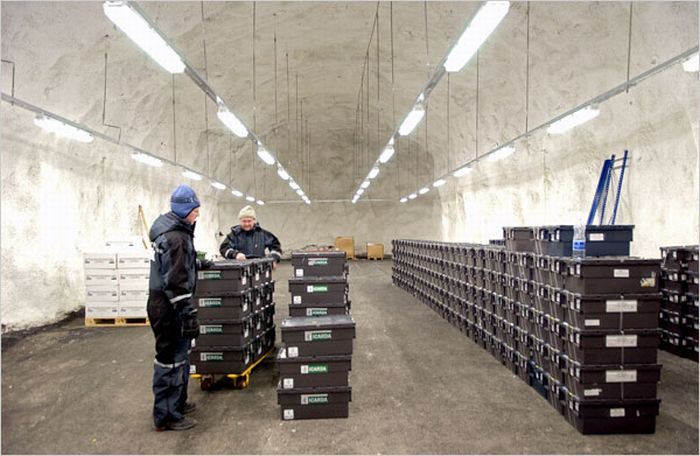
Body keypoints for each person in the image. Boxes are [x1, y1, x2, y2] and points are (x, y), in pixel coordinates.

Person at [147, 184, 201, 431]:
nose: (197, 215)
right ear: (185, 210)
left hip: (162, 303)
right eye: (195, 210)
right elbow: (175, 282)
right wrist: (188, 314)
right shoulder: (175, 238)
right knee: (170, 360)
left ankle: (177, 403)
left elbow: (177, 266)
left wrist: (199, 262)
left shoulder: (171, 230)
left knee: (179, 357)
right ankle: (167, 416)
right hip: (169, 309)